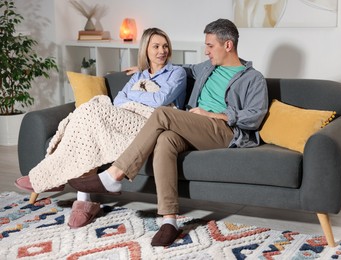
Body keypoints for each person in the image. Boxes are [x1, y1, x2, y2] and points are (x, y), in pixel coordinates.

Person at [68, 18, 269, 247]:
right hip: (195, 125)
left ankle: (114, 175)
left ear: (228, 45)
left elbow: (255, 116)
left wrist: (215, 115)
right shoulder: (206, 68)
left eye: (210, 46)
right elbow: (181, 70)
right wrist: (147, 68)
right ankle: (169, 220)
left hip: (224, 130)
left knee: (163, 114)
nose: (206, 51)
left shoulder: (252, 78)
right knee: (165, 140)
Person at [14, 27, 187, 227]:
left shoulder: (177, 73)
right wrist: (140, 86)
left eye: (165, 46)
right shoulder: (138, 77)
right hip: (128, 115)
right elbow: (120, 101)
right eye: (156, 46)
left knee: (91, 111)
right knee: (90, 116)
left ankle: (54, 177)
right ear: (146, 50)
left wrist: (136, 92)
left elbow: (160, 100)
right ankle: (81, 198)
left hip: (153, 122)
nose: (162, 51)